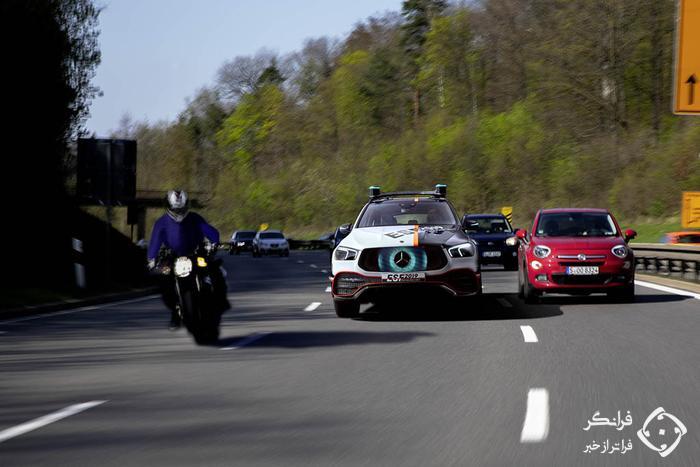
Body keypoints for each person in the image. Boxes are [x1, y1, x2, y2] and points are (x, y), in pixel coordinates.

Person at [147, 189, 229, 330]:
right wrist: (151, 259)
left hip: (196, 253)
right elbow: (155, 242)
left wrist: (214, 243)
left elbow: (211, 231)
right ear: (169, 206)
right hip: (172, 257)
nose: (178, 212)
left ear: (187, 206)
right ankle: (175, 312)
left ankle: (217, 300)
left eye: (182, 208)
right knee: (165, 282)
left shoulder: (195, 218)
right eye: (175, 208)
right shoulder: (161, 223)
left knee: (215, 270)